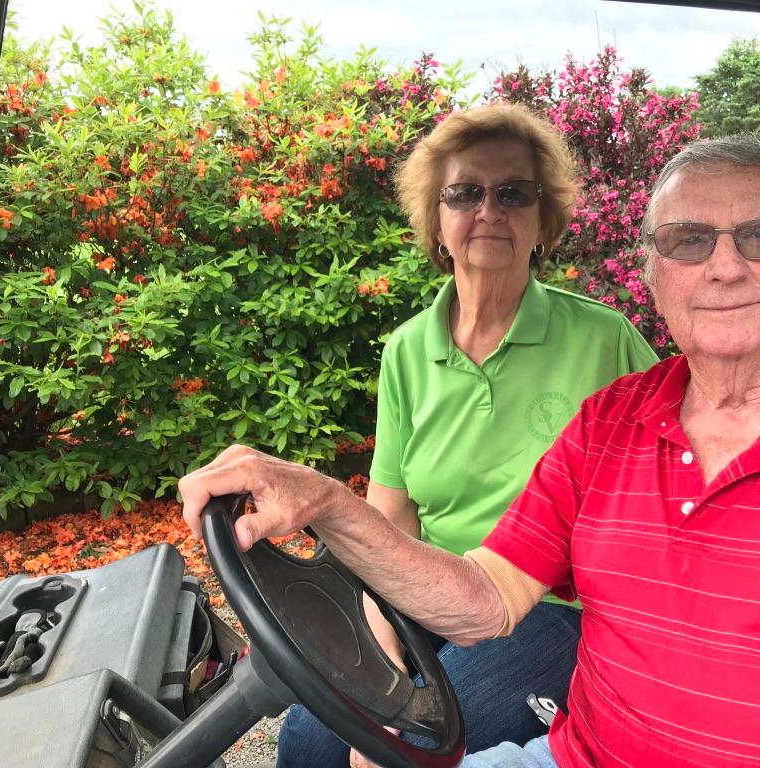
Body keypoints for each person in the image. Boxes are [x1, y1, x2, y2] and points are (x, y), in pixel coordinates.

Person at [180, 134, 760, 768]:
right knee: (314, 736)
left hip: (558, 633)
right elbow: (485, 597)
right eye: (689, 241)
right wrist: (328, 504)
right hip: (580, 752)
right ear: (655, 272)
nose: (725, 266)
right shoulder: (610, 421)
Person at [273, 103, 658, 767]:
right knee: (309, 736)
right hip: (430, 588)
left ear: (543, 219)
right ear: (436, 219)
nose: (489, 210)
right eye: (464, 193)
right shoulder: (407, 351)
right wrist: (382, 638)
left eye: (514, 193)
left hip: (552, 608)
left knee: (418, 746)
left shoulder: (604, 339)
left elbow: (684, 465)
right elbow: (391, 516)